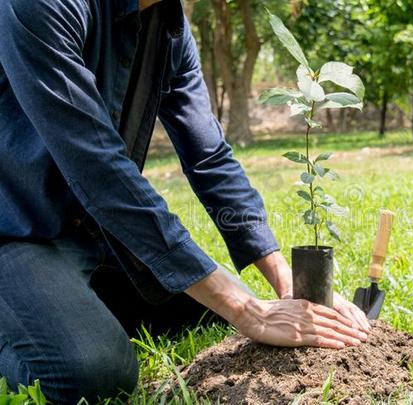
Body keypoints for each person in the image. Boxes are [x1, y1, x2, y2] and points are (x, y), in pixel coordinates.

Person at [0, 0, 370, 402]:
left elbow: (209, 156)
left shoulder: (170, 26)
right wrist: (246, 310)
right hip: (17, 231)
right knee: (93, 375)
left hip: (96, 235)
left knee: (204, 308)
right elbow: (97, 166)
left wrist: (286, 282)